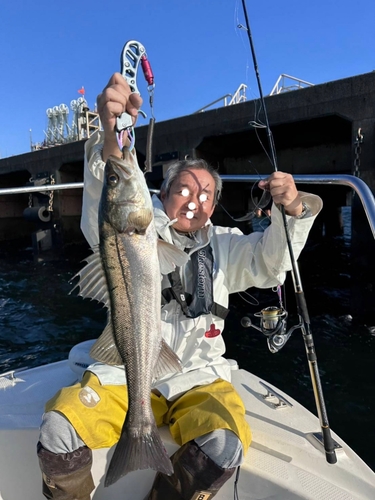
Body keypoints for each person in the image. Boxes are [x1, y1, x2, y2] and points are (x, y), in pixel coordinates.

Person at [37, 73, 322, 500]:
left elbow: (271, 266)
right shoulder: (133, 226)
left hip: (199, 375)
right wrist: (111, 137)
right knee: (59, 433)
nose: (195, 198)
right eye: (184, 187)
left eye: (207, 193)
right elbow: (106, 191)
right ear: (162, 194)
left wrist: (294, 210)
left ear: (215, 205)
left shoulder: (226, 244)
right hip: (125, 372)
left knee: (225, 448)